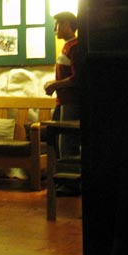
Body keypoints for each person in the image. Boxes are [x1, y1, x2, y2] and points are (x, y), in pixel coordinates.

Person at [44, 11, 80, 160]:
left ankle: (67, 173)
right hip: (62, 101)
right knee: (54, 139)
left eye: (57, 24)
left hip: (70, 101)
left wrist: (55, 85)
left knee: (66, 143)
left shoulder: (75, 46)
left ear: (66, 25)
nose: (55, 29)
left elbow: (78, 78)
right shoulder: (67, 46)